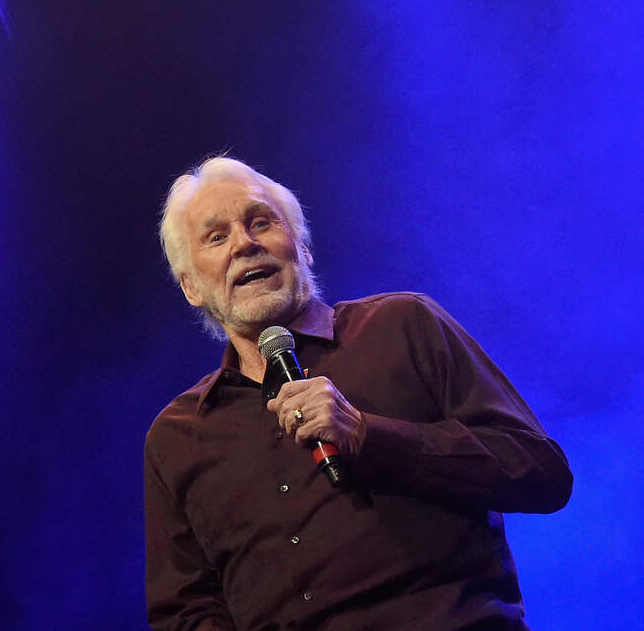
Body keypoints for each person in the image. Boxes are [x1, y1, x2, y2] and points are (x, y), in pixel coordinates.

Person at [144, 156, 572, 630]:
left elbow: (541, 472)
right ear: (191, 287)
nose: (245, 244)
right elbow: (186, 611)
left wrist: (370, 436)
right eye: (216, 237)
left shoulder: (404, 326)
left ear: (303, 247)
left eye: (261, 222)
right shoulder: (178, 437)